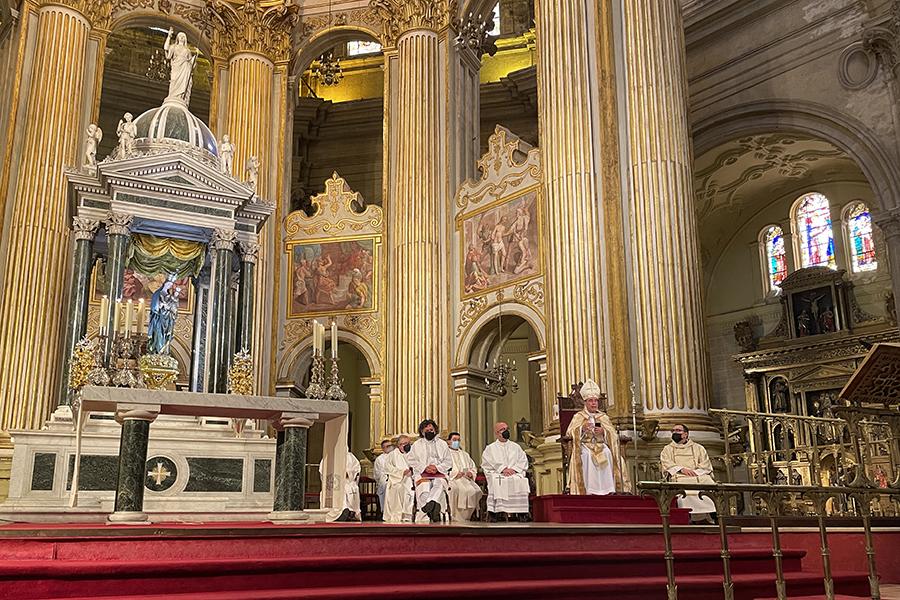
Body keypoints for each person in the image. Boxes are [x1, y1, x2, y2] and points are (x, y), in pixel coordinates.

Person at [566, 379, 630, 495]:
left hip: (601, 445)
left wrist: (604, 432)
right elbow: (569, 433)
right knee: (587, 455)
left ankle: (608, 489)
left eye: (595, 401)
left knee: (607, 453)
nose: (594, 403)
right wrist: (581, 429)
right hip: (585, 445)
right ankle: (590, 490)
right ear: (585, 402)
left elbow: (613, 434)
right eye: (591, 401)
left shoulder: (603, 417)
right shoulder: (578, 416)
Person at [660, 424, 717, 524]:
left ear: (685, 434)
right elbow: (666, 463)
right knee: (681, 483)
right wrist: (681, 469)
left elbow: (705, 464)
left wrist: (695, 472)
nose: (674, 433)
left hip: (697, 474)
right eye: (673, 431)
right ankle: (688, 517)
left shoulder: (698, 448)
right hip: (679, 474)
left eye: (678, 430)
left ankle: (712, 515)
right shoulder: (667, 449)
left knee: (708, 480)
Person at [481, 422, 530, 521]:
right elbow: (487, 463)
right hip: (498, 473)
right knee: (498, 481)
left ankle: (522, 512)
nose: (506, 431)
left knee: (521, 481)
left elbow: (523, 460)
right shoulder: (490, 448)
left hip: (514, 473)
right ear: (497, 433)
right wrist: (502, 469)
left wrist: (514, 469)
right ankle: (495, 512)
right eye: (503, 429)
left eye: (507, 428)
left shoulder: (516, 447)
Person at [408, 419, 452, 523]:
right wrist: (425, 467)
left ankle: (430, 505)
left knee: (439, 483)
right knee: (424, 488)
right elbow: (411, 460)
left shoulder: (442, 444)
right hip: (422, 473)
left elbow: (449, 462)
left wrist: (437, 468)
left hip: (439, 472)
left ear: (435, 430)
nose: (429, 432)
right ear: (422, 432)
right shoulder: (417, 445)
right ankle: (433, 508)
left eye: (431, 429)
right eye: (426, 430)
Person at [447, 432, 483, 522]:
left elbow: (472, 467)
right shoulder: (445, 454)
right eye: (454, 440)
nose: (457, 442)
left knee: (476, 490)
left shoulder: (465, 454)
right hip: (452, 479)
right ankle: (454, 516)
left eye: (458, 440)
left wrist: (471, 473)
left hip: (465, 479)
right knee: (456, 489)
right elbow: (443, 469)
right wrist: (455, 474)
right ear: (448, 441)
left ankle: (467, 517)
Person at [383, 435, 415, 523]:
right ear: (399, 445)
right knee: (398, 488)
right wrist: (401, 472)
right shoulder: (393, 455)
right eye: (404, 444)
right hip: (397, 480)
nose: (406, 445)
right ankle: (397, 515)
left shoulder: (413, 453)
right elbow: (387, 467)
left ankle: (408, 515)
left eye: (408, 443)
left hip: (411, 479)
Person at [321, 451, 361, 522]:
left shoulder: (350, 456)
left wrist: (348, 473)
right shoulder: (329, 456)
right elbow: (323, 471)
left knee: (348, 489)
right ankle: (337, 513)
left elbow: (356, 469)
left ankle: (349, 512)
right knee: (335, 490)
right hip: (334, 482)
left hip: (347, 481)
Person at [164, 29, 197, 103]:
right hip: (176, 67)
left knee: (183, 84)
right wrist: (169, 36)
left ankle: (181, 97)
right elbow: (167, 51)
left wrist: (195, 58)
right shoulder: (173, 47)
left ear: (185, 39)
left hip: (185, 68)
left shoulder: (187, 50)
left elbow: (191, 63)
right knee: (174, 81)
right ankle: (173, 96)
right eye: (180, 36)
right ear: (177, 38)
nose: (182, 37)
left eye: (183, 36)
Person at [373, 439, 393, 517]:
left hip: (396, 479)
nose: (390, 448)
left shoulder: (396, 456)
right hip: (384, 480)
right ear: (383, 448)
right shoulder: (379, 459)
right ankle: (385, 512)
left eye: (390, 446)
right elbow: (378, 474)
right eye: (387, 446)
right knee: (386, 485)